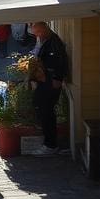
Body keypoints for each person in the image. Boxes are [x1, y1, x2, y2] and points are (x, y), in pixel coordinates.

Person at [30, 21, 69, 155]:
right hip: (46, 81)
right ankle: (49, 142)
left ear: (44, 29)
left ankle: (50, 144)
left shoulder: (54, 42)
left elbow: (60, 61)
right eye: (36, 34)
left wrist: (57, 78)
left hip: (50, 82)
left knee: (46, 112)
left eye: (39, 32)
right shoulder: (47, 40)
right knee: (42, 109)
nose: (38, 36)